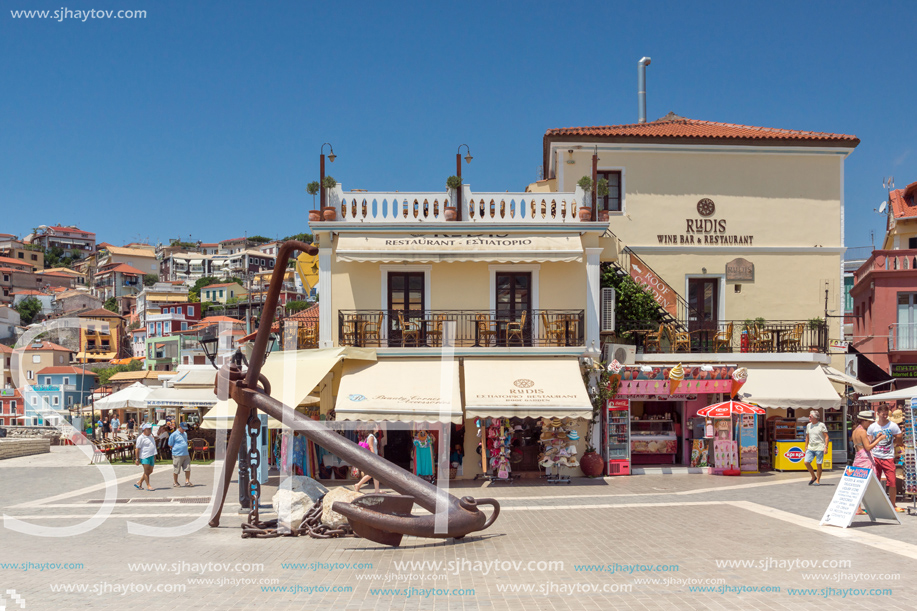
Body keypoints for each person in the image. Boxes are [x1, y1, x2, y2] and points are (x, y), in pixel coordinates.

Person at [868, 404, 905, 513]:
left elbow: (899, 436)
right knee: (875, 482)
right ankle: (875, 504)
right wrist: (877, 438)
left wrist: (895, 442)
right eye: (883, 414)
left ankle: (893, 505)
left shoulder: (892, 426)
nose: (884, 416)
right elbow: (869, 442)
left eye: (886, 415)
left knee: (892, 481)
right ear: (878, 414)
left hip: (888, 457)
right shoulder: (872, 427)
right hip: (875, 457)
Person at [851, 410, 882, 515]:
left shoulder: (855, 430)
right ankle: (860, 508)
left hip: (858, 458)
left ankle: (858, 507)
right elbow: (868, 448)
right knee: (865, 484)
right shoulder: (863, 432)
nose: (870, 424)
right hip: (865, 459)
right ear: (863, 421)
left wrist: (876, 438)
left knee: (859, 483)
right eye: (869, 422)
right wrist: (879, 439)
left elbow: (863, 445)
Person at [803, 410, 829, 486]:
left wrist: (826, 447)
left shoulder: (821, 425)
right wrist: (806, 446)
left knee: (818, 464)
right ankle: (813, 476)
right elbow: (807, 436)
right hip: (811, 447)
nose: (809, 417)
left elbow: (826, 436)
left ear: (815, 418)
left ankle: (818, 479)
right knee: (806, 462)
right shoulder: (808, 425)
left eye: (810, 416)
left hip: (819, 447)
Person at [354, 424, 380, 494]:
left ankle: (377, 490)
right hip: (372, 457)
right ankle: (358, 484)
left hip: (372, 457)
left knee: (376, 474)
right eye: (377, 426)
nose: (378, 428)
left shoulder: (372, 436)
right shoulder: (371, 436)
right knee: (372, 473)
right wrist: (375, 457)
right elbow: (371, 447)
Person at [134, 423, 158, 491]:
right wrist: (137, 459)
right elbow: (137, 449)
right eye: (148, 429)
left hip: (151, 455)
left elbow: (153, 446)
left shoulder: (151, 436)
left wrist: (155, 455)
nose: (150, 430)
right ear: (144, 430)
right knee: (146, 471)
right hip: (145, 456)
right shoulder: (141, 438)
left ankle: (140, 482)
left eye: (150, 429)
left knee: (150, 471)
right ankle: (148, 485)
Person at [168, 422, 192, 487]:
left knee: (188, 468)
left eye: (185, 429)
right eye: (183, 429)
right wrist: (176, 449)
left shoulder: (185, 434)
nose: (184, 430)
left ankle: (187, 481)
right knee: (176, 469)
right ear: (179, 427)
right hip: (177, 454)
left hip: (185, 454)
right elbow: (170, 444)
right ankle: (175, 482)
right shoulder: (174, 435)